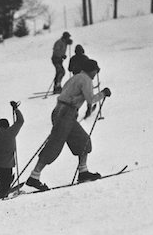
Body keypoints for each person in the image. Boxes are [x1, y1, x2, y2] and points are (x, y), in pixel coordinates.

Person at [26, 59, 111, 191]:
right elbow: (91, 100)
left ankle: (83, 172)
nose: (96, 73)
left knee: (83, 140)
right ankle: (34, 176)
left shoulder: (75, 78)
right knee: (55, 144)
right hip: (66, 112)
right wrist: (103, 93)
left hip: (63, 111)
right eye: (96, 70)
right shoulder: (86, 79)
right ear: (91, 70)